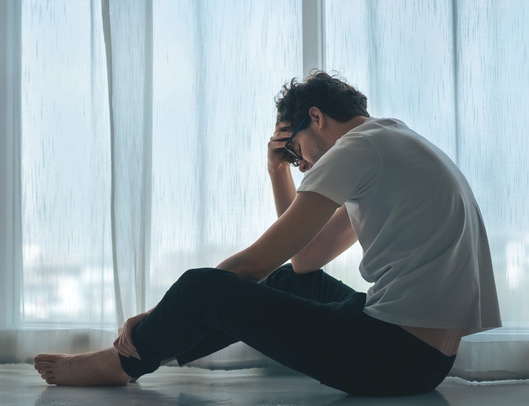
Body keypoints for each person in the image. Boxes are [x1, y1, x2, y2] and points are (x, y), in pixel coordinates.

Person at [34, 71, 501, 396]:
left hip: (391, 356)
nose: (305, 165)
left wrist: (153, 314)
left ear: (316, 118)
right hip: (428, 361)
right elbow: (305, 260)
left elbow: (254, 264)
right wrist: (278, 171)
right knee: (292, 283)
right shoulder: (393, 142)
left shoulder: (357, 150)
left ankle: (125, 358)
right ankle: (150, 348)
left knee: (203, 286)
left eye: (297, 151)